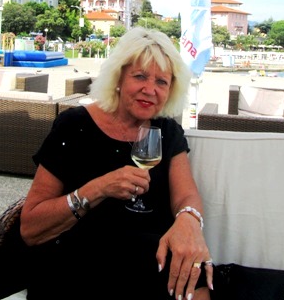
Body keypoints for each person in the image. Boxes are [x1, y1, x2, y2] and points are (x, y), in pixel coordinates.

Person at [21, 27, 215, 300]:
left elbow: (186, 195)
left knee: (195, 269)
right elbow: (30, 228)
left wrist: (189, 219)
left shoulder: (167, 132)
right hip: (80, 258)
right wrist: (99, 188)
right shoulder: (73, 126)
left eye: (162, 82)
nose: (150, 90)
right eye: (140, 76)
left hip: (149, 257)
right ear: (118, 78)